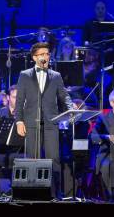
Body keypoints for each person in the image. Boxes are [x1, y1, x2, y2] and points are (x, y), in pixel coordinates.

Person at [15, 42, 74, 198]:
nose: (45, 57)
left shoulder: (56, 76)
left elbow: (64, 95)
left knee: (53, 159)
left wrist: (70, 107)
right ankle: (31, 194)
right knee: (32, 159)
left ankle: (54, 194)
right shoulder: (24, 75)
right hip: (31, 122)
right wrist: (19, 121)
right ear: (34, 57)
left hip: (51, 123)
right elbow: (19, 101)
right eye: (42, 54)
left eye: (47, 54)